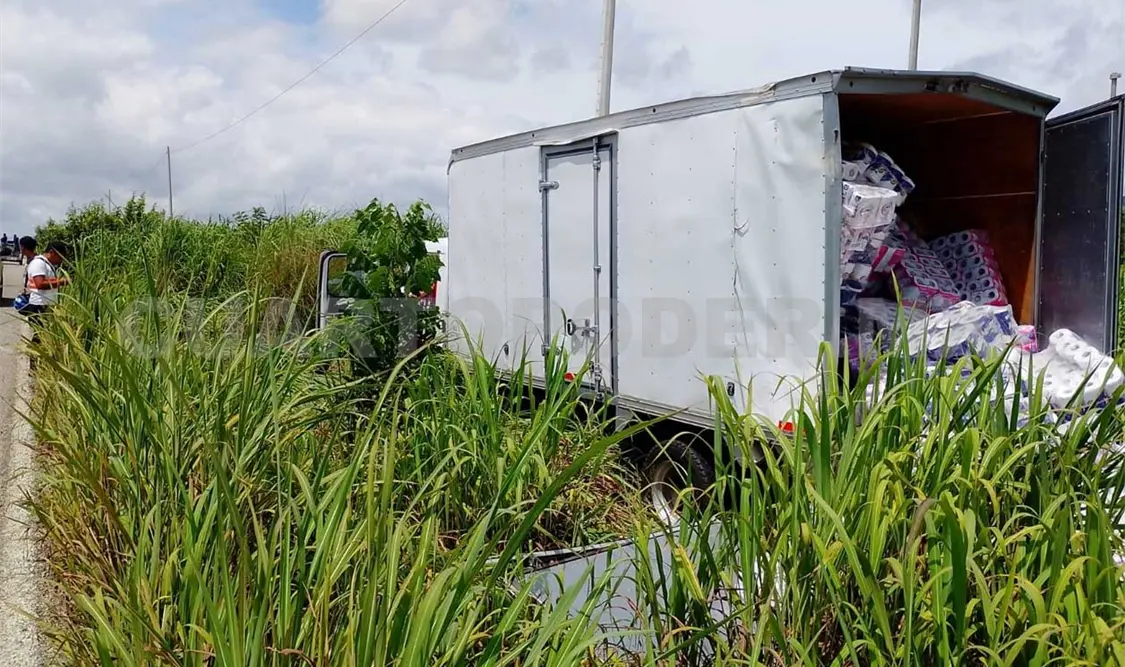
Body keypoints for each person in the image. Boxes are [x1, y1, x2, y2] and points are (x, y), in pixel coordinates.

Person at [23, 241, 69, 346]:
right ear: (52, 252)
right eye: (60, 257)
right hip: (39, 306)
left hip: (45, 304)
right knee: (40, 336)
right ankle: (35, 356)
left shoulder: (47, 264)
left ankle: (37, 356)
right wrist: (61, 282)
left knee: (43, 335)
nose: (60, 261)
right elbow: (40, 284)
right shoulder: (39, 263)